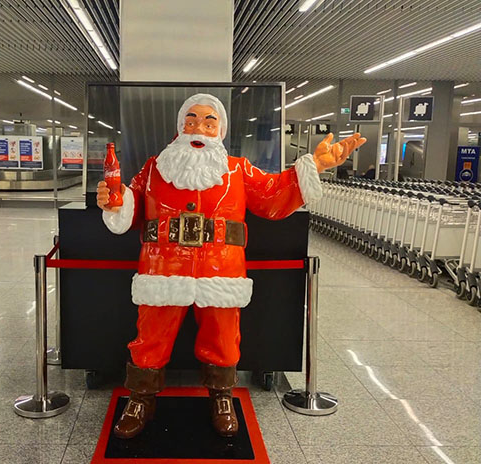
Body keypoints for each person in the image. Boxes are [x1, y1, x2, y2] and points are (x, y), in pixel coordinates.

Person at [98, 93, 365, 439]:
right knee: (150, 336)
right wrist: (114, 203)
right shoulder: (154, 168)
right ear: (180, 127)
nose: (199, 128)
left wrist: (313, 166)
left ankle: (222, 396)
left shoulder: (237, 169)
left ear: (219, 131)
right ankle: (141, 398)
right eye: (191, 120)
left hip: (220, 269)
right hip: (163, 267)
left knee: (223, 337)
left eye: (209, 121)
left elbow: (272, 194)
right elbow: (130, 208)